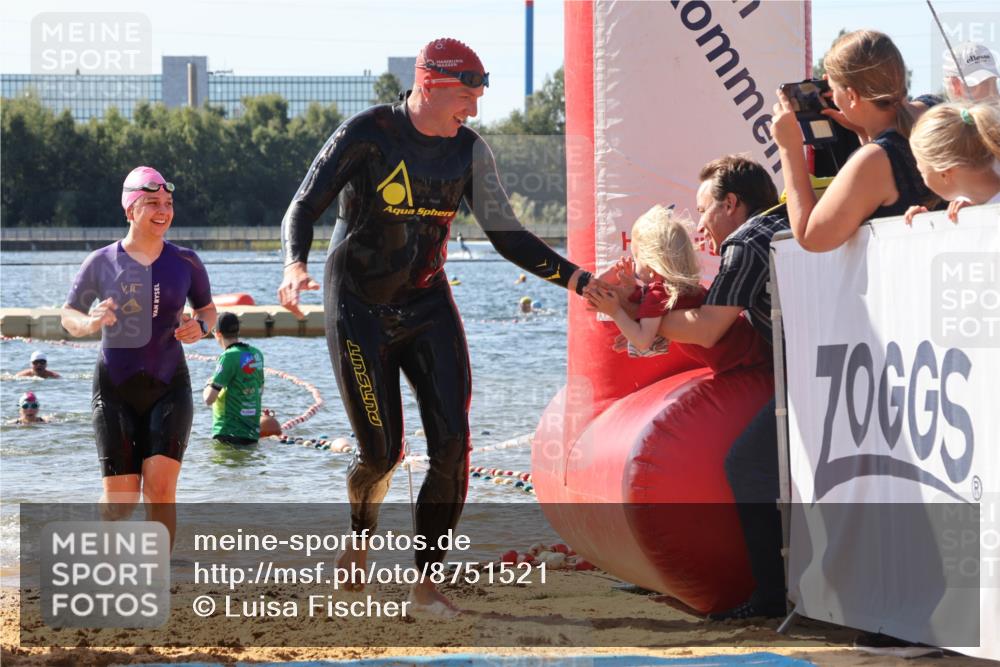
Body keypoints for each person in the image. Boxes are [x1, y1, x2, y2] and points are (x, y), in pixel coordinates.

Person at [277, 38, 594, 615]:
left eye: (477, 97)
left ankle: (425, 586)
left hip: (427, 306)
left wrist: (581, 282)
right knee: (381, 454)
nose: (473, 110)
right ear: (429, 85)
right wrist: (295, 264)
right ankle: (360, 534)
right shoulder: (369, 133)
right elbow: (302, 205)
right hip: (358, 308)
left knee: (452, 446)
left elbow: (509, 235)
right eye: (465, 97)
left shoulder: (468, 151)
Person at [632, 156, 788, 620]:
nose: (700, 225)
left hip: (810, 374)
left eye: (704, 210)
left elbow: (707, 330)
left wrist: (643, 316)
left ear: (731, 204)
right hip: (841, 366)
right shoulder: (787, 220)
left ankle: (771, 597)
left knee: (746, 465)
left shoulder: (744, 242)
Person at [61, 166, 216, 546]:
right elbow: (69, 315)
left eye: (168, 203)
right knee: (121, 503)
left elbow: (208, 309)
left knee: (161, 490)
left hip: (169, 384)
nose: (163, 210)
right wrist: (89, 323)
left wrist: (202, 327)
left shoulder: (186, 261)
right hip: (115, 387)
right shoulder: (101, 262)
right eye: (152, 203)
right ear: (130, 210)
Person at [773, 30, 938, 252]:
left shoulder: (874, 159)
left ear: (852, 96)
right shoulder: (934, 109)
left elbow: (810, 236)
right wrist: (864, 132)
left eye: (832, 89)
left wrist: (789, 148)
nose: (832, 96)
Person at [587, 204, 770, 373]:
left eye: (636, 259)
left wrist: (615, 312)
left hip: (750, 361)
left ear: (651, 266)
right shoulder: (677, 288)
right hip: (754, 346)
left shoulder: (658, 293)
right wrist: (628, 286)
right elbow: (643, 309)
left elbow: (643, 341)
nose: (634, 265)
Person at [906, 102, 1000, 224]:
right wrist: (928, 224)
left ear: (944, 173)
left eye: (922, 172)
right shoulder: (968, 207)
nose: (923, 180)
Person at [203, 312, 266, 446]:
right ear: (237, 331)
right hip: (252, 433)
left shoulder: (228, 357)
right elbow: (259, 391)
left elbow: (209, 399)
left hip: (228, 432)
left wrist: (208, 384)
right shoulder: (256, 354)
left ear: (218, 333)